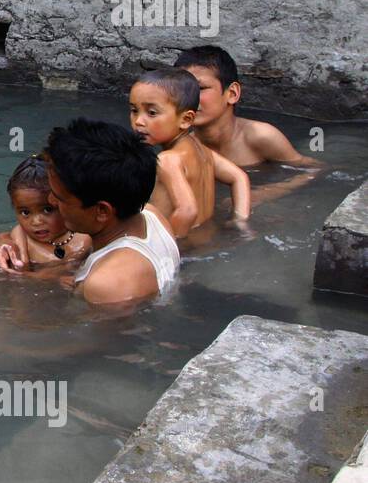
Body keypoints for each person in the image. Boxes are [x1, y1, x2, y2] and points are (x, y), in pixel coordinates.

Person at [38, 118, 180, 306]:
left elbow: (102, 335)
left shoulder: (107, 285)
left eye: (60, 198)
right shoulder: (153, 215)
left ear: (102, 211)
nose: (50, 201)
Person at [130, 68, 250, 237]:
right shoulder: (203, 150)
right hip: (204, 239)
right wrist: (240, 220)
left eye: (152, 113)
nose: (139, 121)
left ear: (186, 120)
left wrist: (164, 251)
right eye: (134, 110)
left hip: (180, 246)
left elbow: (187, 211)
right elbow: (239, 177)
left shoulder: (168, 160)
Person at [174, 46, 321, 168]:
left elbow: (312, 170)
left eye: (201, 88)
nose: (189, 97)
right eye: (181, 89)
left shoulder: (261, 137)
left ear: (232, 93)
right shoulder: (182, 147)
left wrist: (269, 192)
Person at [0, 155, 91, 270]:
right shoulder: (22, 239)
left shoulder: (83, 237)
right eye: (25, 212)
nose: (36, 221)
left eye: (47, 210)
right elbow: (18, 273)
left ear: (63, 203)